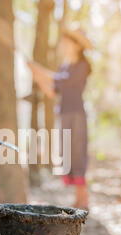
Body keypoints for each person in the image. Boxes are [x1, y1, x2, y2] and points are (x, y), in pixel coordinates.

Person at [27, 27, 92, 209]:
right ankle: (78, 198)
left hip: (76, 115)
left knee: (77, 153)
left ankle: (83, 199)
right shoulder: (65, 65)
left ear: (78, 45)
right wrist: (36, 75)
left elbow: (59, 79)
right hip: (64, 114)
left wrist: (38, 68)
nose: (64, 44)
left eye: (69, 41)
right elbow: (52, 91)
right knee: (68, 154)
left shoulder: (82, 66)